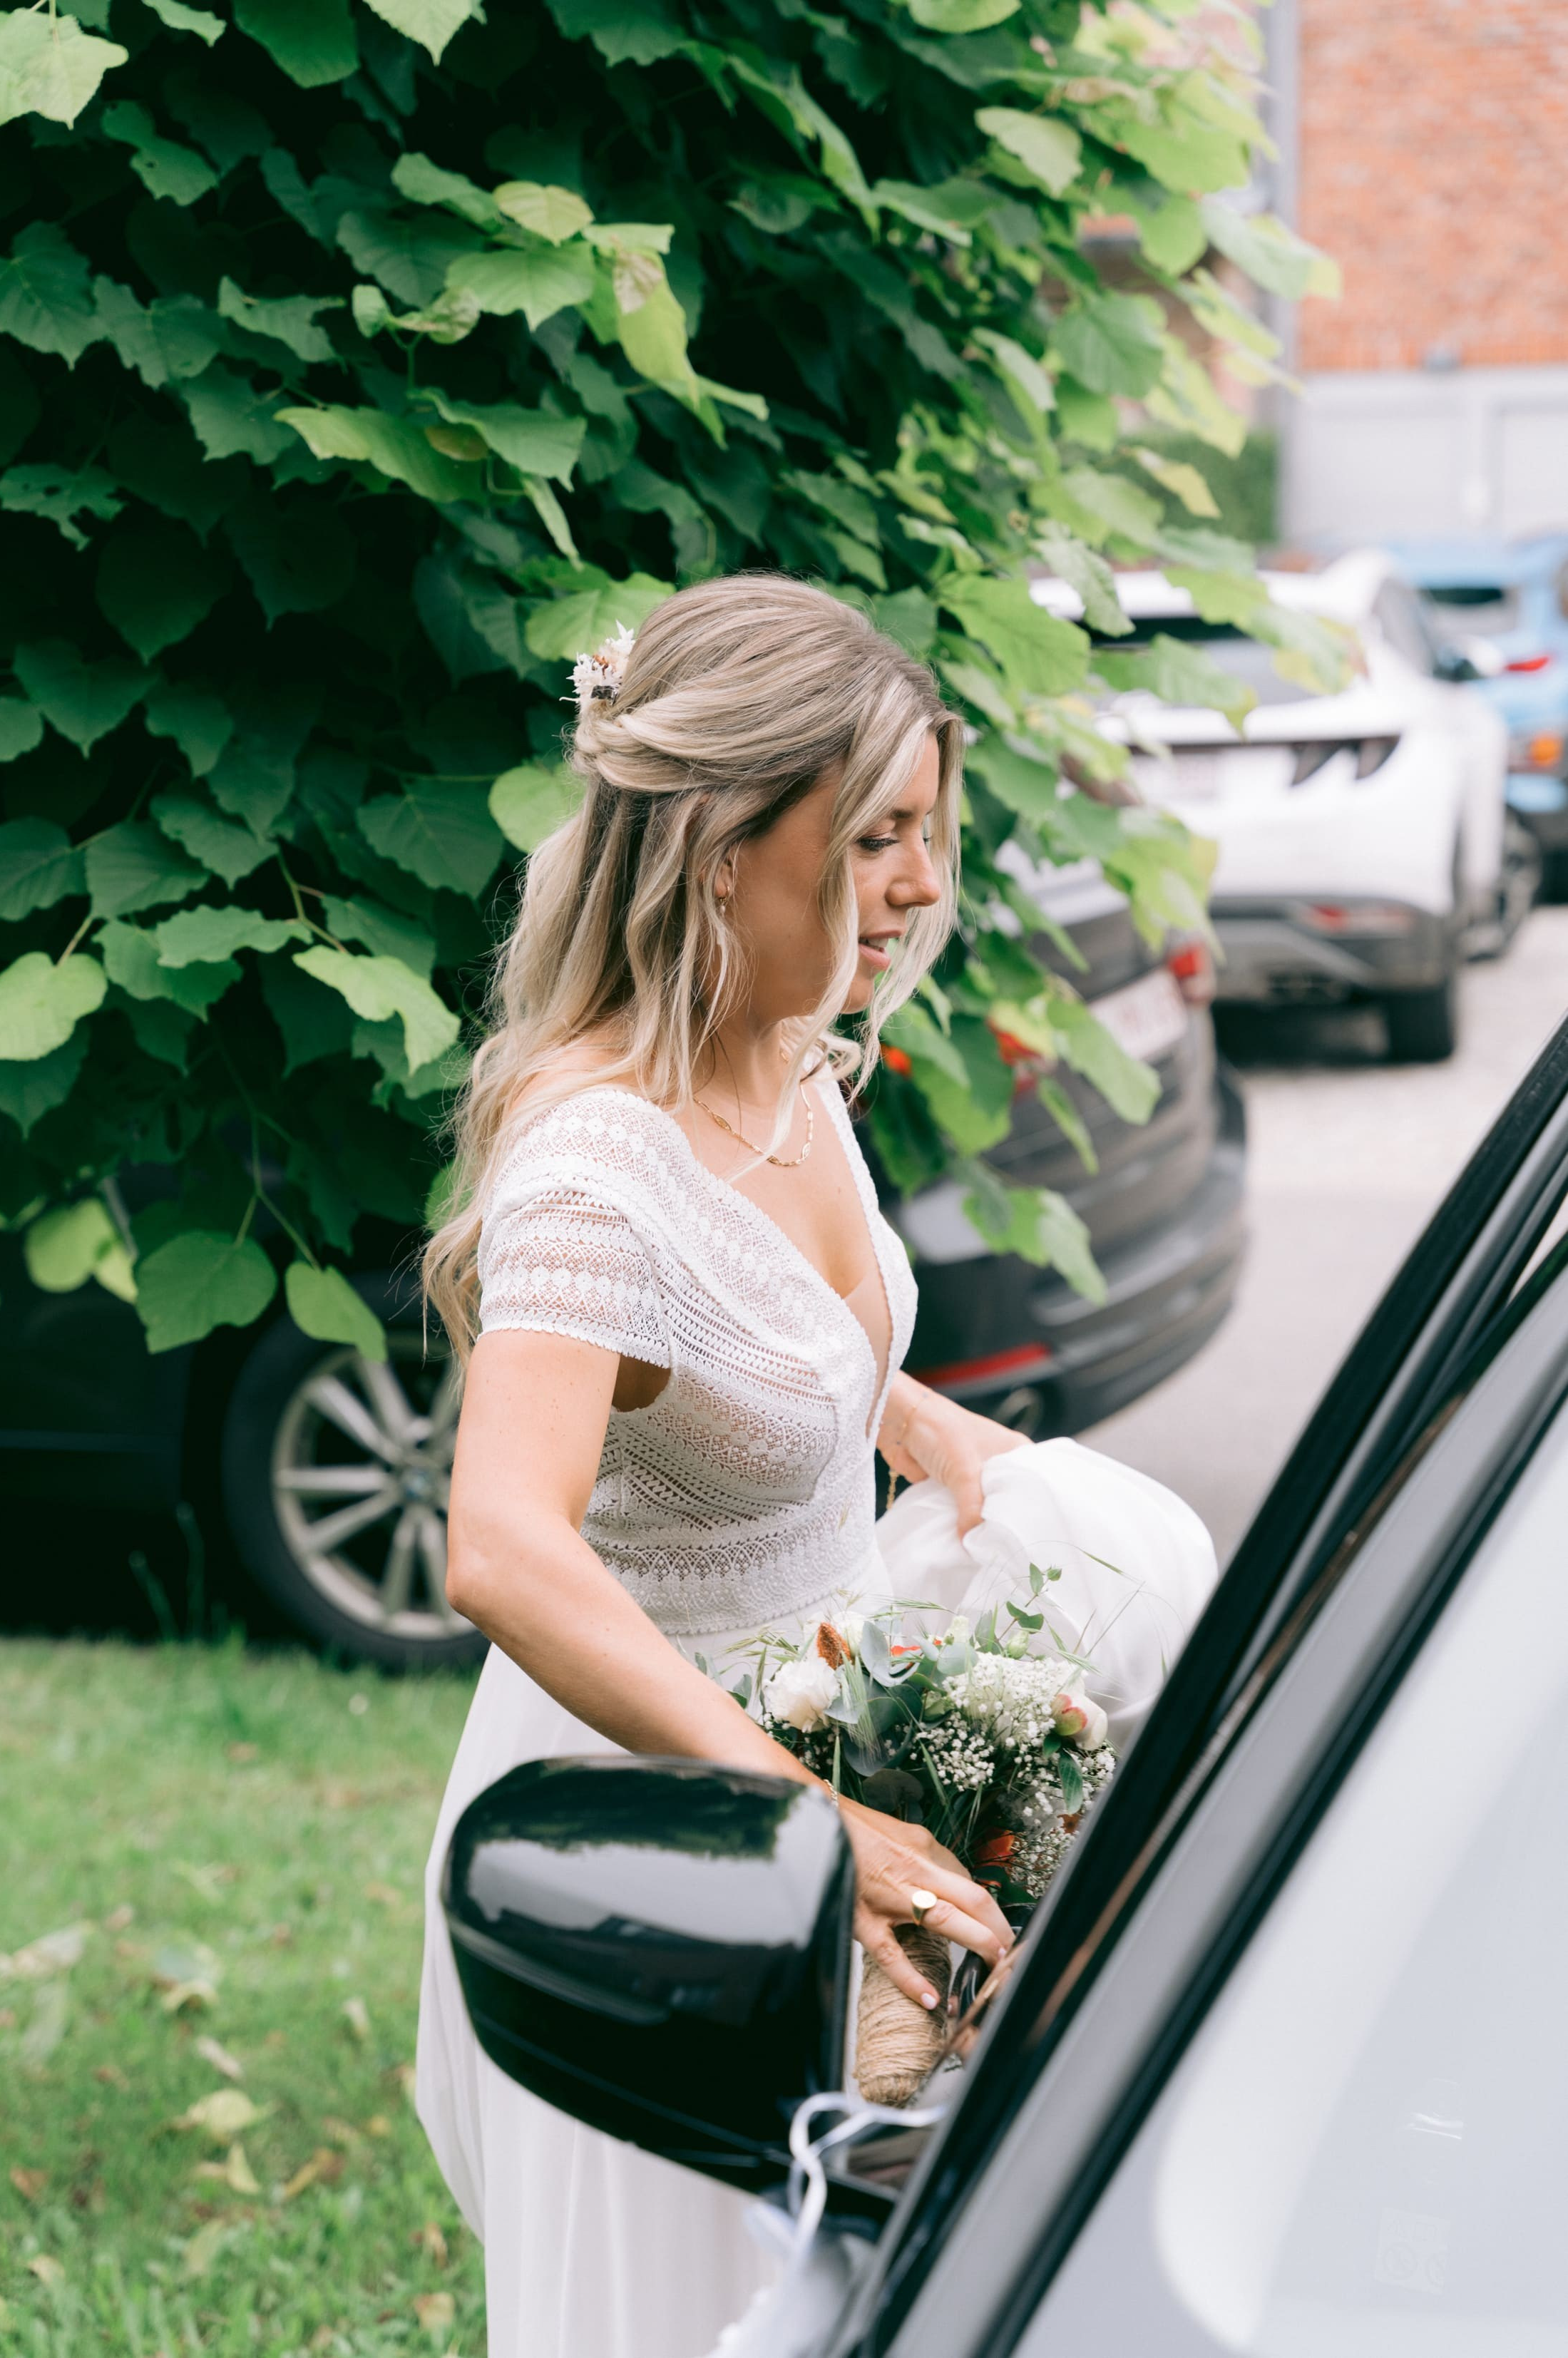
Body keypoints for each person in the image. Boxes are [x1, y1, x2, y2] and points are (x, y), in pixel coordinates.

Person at [416, 575, 1216, 2358]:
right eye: (876, 840)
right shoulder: (592, 1173)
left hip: (827, 1698)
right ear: (717, 846)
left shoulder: (785, 1059)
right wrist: (814, 1822)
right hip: (672, 1821)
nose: (922, 885)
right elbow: (499, 1546)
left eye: (926, 835)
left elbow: (757, 1341)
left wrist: (904, 1411)